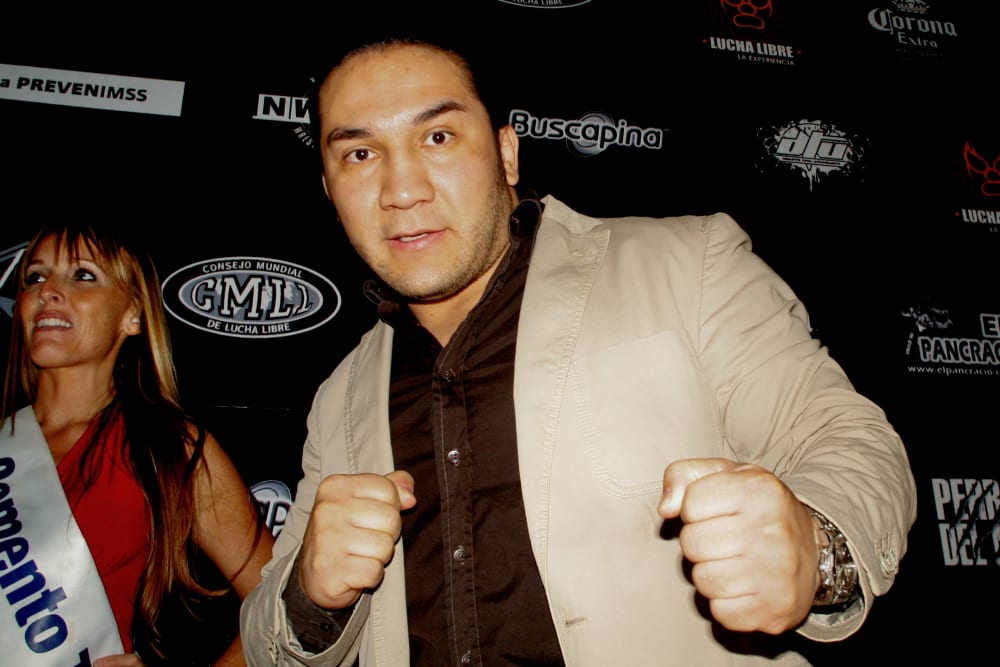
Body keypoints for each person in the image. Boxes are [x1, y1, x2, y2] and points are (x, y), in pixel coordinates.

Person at [239, 37, 917, 666]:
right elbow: (269, 639)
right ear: (330, 189)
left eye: (438, 135)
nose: (402, 189)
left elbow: (852, 442)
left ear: (506, 152)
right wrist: (308, 594)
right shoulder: (341, 392)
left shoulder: (687, 266)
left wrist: (813, 547)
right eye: (360, 154)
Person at [1, 222, 275, 667]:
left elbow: (280, 604)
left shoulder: (168, 445)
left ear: (133, 314)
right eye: (35, 277)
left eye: (83, 275)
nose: (48, 290)